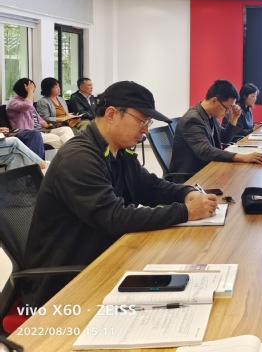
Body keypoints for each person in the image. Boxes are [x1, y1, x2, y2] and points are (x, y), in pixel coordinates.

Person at [22, 81, 219, 307]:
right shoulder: (79, 159)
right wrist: (185, 212)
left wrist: (186, 193)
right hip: (63, 283)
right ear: (111, 114)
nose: (145, 129)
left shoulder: (117, 152)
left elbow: (150, 186)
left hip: (103, 258)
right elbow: (115, 217)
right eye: (142, 121)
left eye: (148, 122)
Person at [170, 79, 262, 176]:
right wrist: (241, 157)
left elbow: (224, 138)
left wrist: (233, 119)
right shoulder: (192, 119)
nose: (228, 111)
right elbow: (205, 151)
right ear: (214, 101)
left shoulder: (211, 115)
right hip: (192, 176)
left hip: (208, 168)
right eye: (228, 107)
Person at [7, 78, 75, 149]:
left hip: (40, 130)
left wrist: (47, 125)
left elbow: (38, 118)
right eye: (32, 90)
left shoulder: (27, 101)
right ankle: (73, 151)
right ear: (25, 89)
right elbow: (27, 105)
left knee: (66, 130)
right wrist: (30, 91)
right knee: (60, 139)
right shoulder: (13, 102)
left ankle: (72, 151)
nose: (33, 92)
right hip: (29, 134)